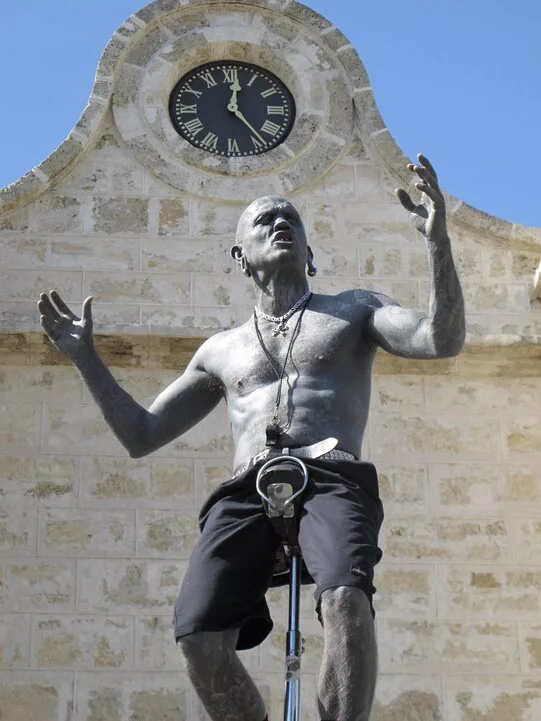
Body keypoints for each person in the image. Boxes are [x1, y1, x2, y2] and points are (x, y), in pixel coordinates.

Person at [38, 154, 465, 721]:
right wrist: (85, 358)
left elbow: (439, 339)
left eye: (291, 219)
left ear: (309, 253)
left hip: (332, 474)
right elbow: (142, 434)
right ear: (240, 256)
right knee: (197, 632)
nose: (281, 223)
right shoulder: (220, 350)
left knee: (346, 598)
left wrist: (438, 244)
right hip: (245, 488)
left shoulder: (355, 310)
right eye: (265, 220)